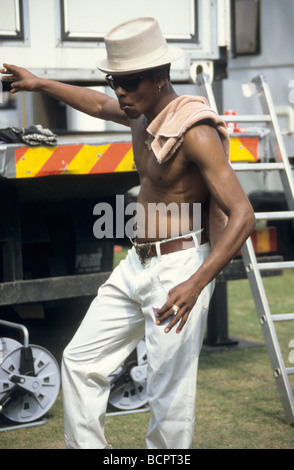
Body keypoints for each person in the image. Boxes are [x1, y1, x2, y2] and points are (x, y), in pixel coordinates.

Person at [1, 17, 255, 449]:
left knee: (167, 394)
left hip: (180, 269)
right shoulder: (141, 114)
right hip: (137, 262)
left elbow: (243, 215)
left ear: (159, 77)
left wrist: (195, 284)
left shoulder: (195, 130)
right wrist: (40, 83)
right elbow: (97, 105)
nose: (120, 91)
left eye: (129, 82)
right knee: (80, 361)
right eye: (115, 80)